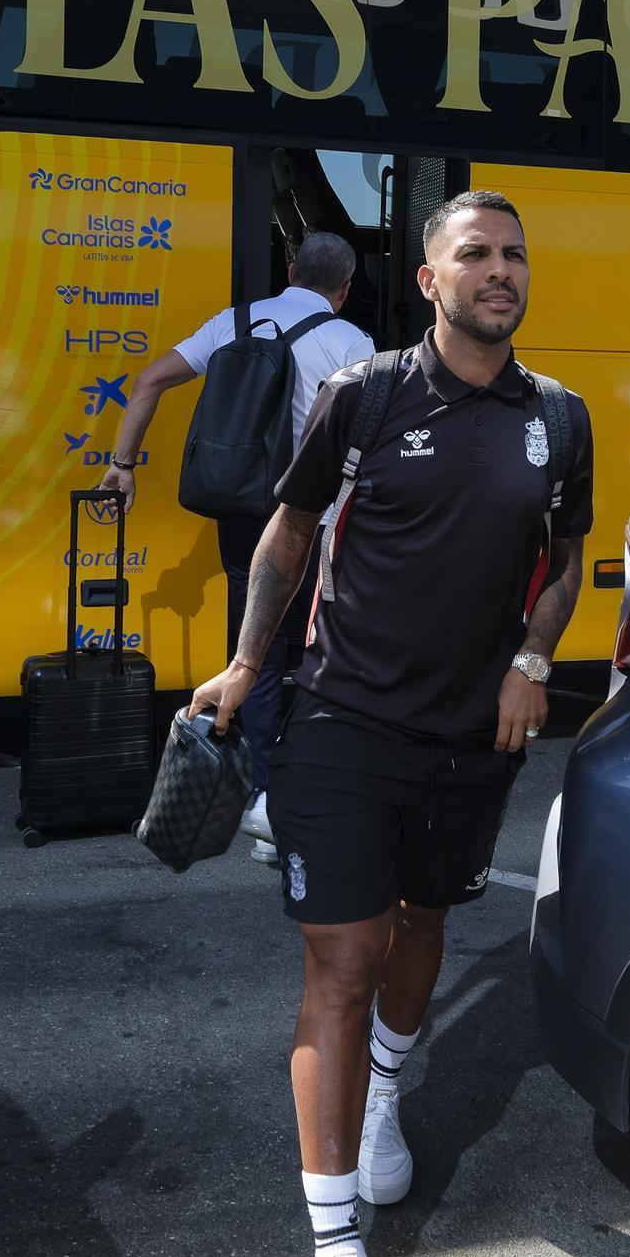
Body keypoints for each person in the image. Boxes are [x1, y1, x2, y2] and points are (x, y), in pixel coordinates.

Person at [189, 189, 593, 1257]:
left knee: (425, 927)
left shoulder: (558, 419)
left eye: (515, 254)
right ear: (428, 280)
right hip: (342, 723)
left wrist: (532, 660)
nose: (501, 272)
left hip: (473, 739)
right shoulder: (361, 395)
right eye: (476, 255)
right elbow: (287, 531)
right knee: (342, 964)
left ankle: (386, 1104)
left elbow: (567, 560)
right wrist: (253, 663)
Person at [98, 231, 373, 855]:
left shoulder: (235, 322)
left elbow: (147, 382)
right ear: (345, 289)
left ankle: (263, 800)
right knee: (311, 655)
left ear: (289, 268)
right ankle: (290, 808)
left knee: (256, 656)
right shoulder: (350, 341)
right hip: (313, 523)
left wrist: (123, 465)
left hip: (240, 514)